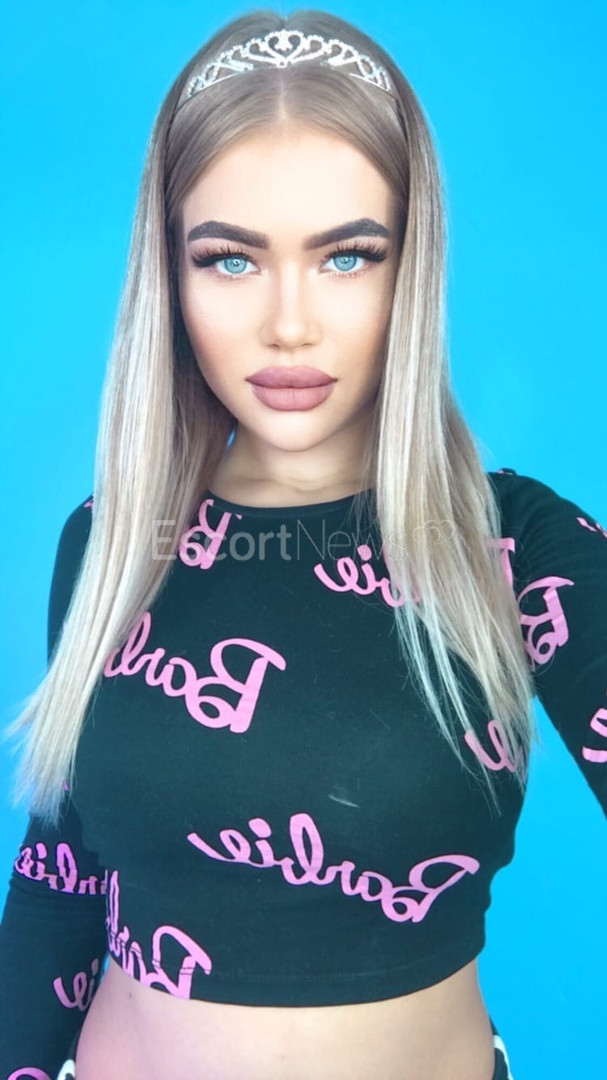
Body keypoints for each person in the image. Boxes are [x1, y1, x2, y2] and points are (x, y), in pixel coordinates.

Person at [0, 8, 605, 1080]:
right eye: (231, 259)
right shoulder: (108, 541)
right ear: (171, 275)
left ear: (411, 267)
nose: (289, 323)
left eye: (347, 256)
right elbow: (60, 885)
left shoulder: (517, 547)